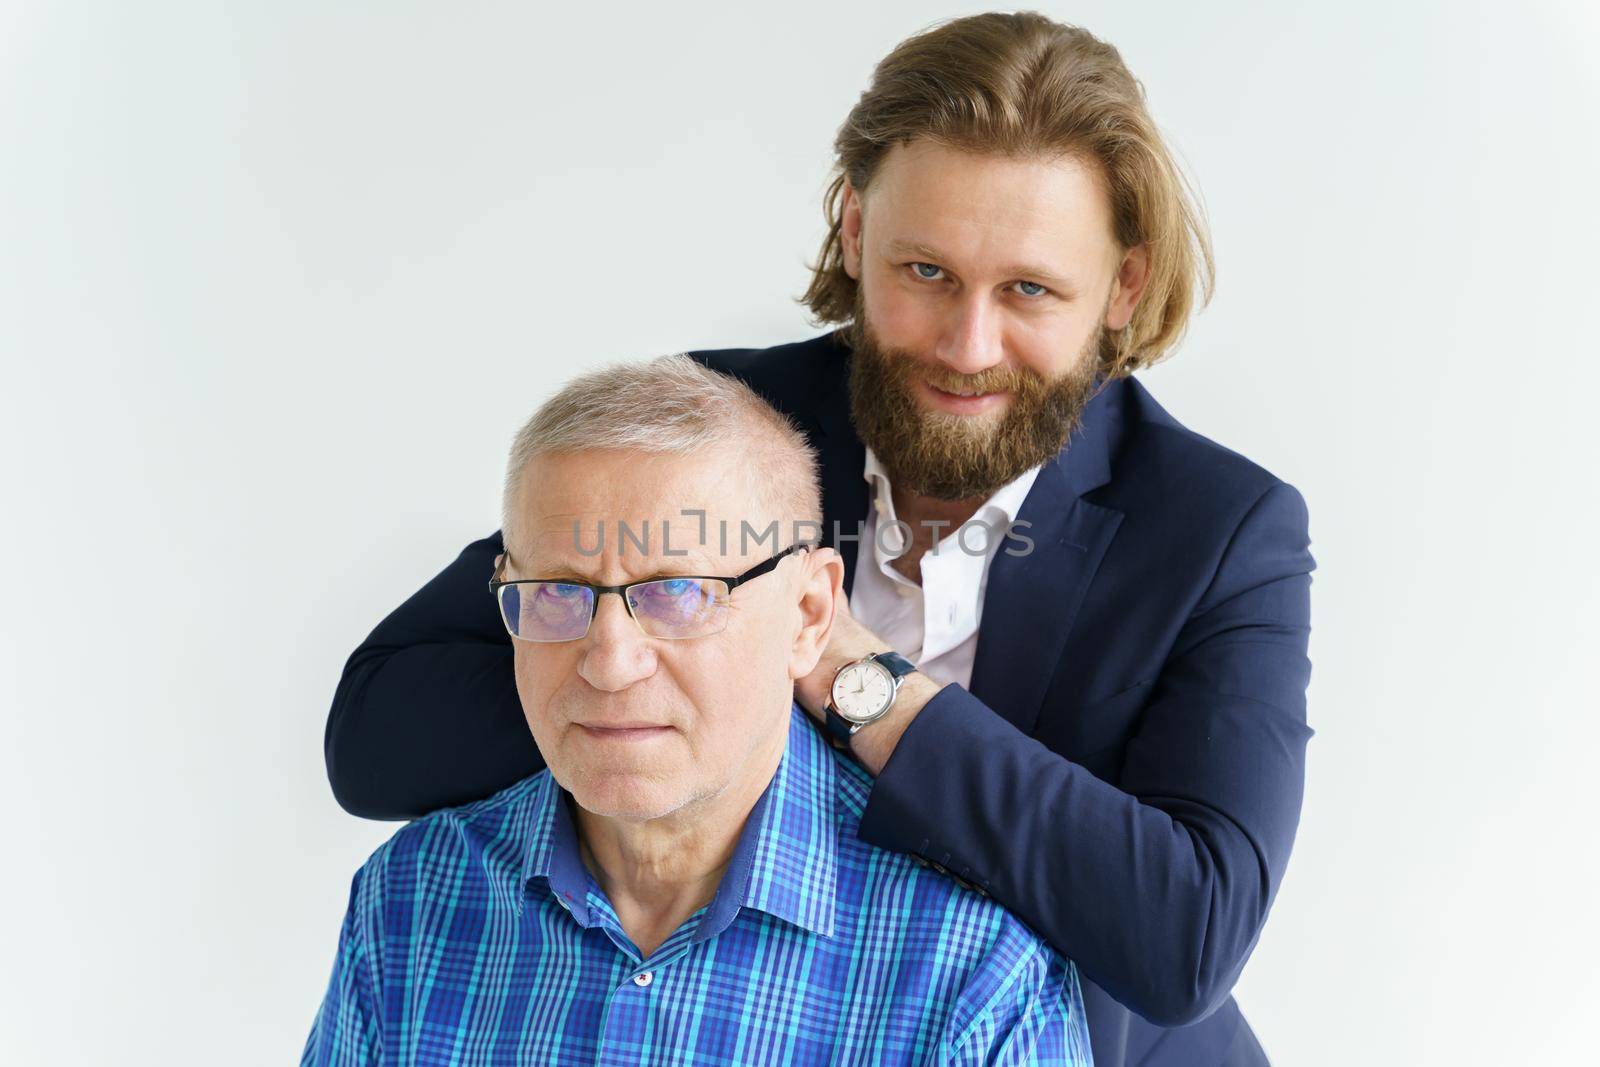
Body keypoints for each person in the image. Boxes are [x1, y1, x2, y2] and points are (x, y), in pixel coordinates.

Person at [324, 13, 1314, 1067]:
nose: (966, 346)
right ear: (852, 229)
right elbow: (379, 733)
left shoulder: (1222, 528)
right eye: (924, 271)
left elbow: (1187, 936)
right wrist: (681, 677)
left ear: (1121, 286)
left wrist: (849, 674)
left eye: (1027, 289)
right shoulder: (729, 430)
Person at [302, 357, 1094, 1065]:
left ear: (810, 613)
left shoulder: (974, 972)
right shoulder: (410, 900)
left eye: (679, 593)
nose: (610, 663)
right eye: (555, 593)